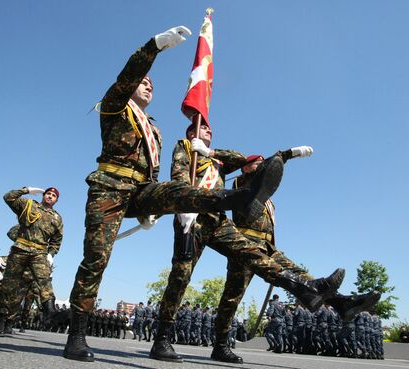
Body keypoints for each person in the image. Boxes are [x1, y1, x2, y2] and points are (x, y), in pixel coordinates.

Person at [63, 25, 288, 363]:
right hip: (109, 188)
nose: (148, 84)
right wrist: (152, 48)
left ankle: (233, 198)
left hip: (140, 189)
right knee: (96, 259)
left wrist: (149, 209)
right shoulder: (114, 107)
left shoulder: (154, 129)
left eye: (151, 83)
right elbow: (129, 75)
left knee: (176, 191)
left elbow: (154, 175)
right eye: (144, 82)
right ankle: (76, 336)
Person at [150, 125, 350, 363]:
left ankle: (306, 289)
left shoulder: (216, 160)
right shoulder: (185, 147)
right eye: (203, 128)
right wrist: (183, 204)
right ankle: (161, 339)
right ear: (192, 132)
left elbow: (240, 158)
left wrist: (209, 152)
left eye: (211, 129)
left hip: (218, 220)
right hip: (192, 218)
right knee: (181, 275)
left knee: (254, 256)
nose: (209, 130)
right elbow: (180, 175)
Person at [0, 186, 63, 336]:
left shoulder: (57, 218)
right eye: (48, 194)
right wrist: (26, 190)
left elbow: (56, 241)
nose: (50, 196)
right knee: (8, 287)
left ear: (56, 200)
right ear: (43, 196)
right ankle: (0, 320)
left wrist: (51, 254)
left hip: (39, 253)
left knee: (44, 280)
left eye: (53, 196)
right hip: (20, 249)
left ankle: (50, 310)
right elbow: (8, 197)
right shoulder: (28, 205)